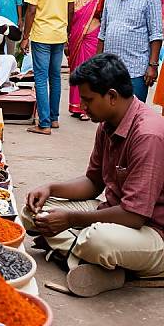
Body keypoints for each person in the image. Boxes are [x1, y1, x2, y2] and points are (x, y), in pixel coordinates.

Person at [21, 54, 164, 297]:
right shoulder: (107, 124)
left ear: (111, 96)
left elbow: (135, 215)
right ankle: (99, 264)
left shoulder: (148, 135)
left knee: (99, 240)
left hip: (152, 232)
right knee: (33, 211)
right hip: (112, 213)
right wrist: (50, 188)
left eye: (87, 100)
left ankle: (78, 255)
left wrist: (70, 220)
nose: (83, 107)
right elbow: (93, 182)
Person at [20, 0, 75, 135]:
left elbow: (31, 10)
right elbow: (71, 9)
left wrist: (25, 37)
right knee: (55, 77)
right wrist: (66, 31)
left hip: (42, 33)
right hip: (59, 33)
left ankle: (43, 123)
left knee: (41, 79)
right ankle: (54, 119)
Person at [98, 0, 162, 103]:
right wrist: (97, 63)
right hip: (110, 70)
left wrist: (153, 66)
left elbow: (156, 34)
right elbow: (103, 33)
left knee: (133, 116)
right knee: (110, 114)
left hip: (136, 71)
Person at [67, 0, 103, 120]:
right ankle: (75, 106)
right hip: (76, 38)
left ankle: (87, 109)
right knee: (76, 71)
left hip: (92, 37)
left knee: (89, 72)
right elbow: (69, 18)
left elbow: (102, 17)